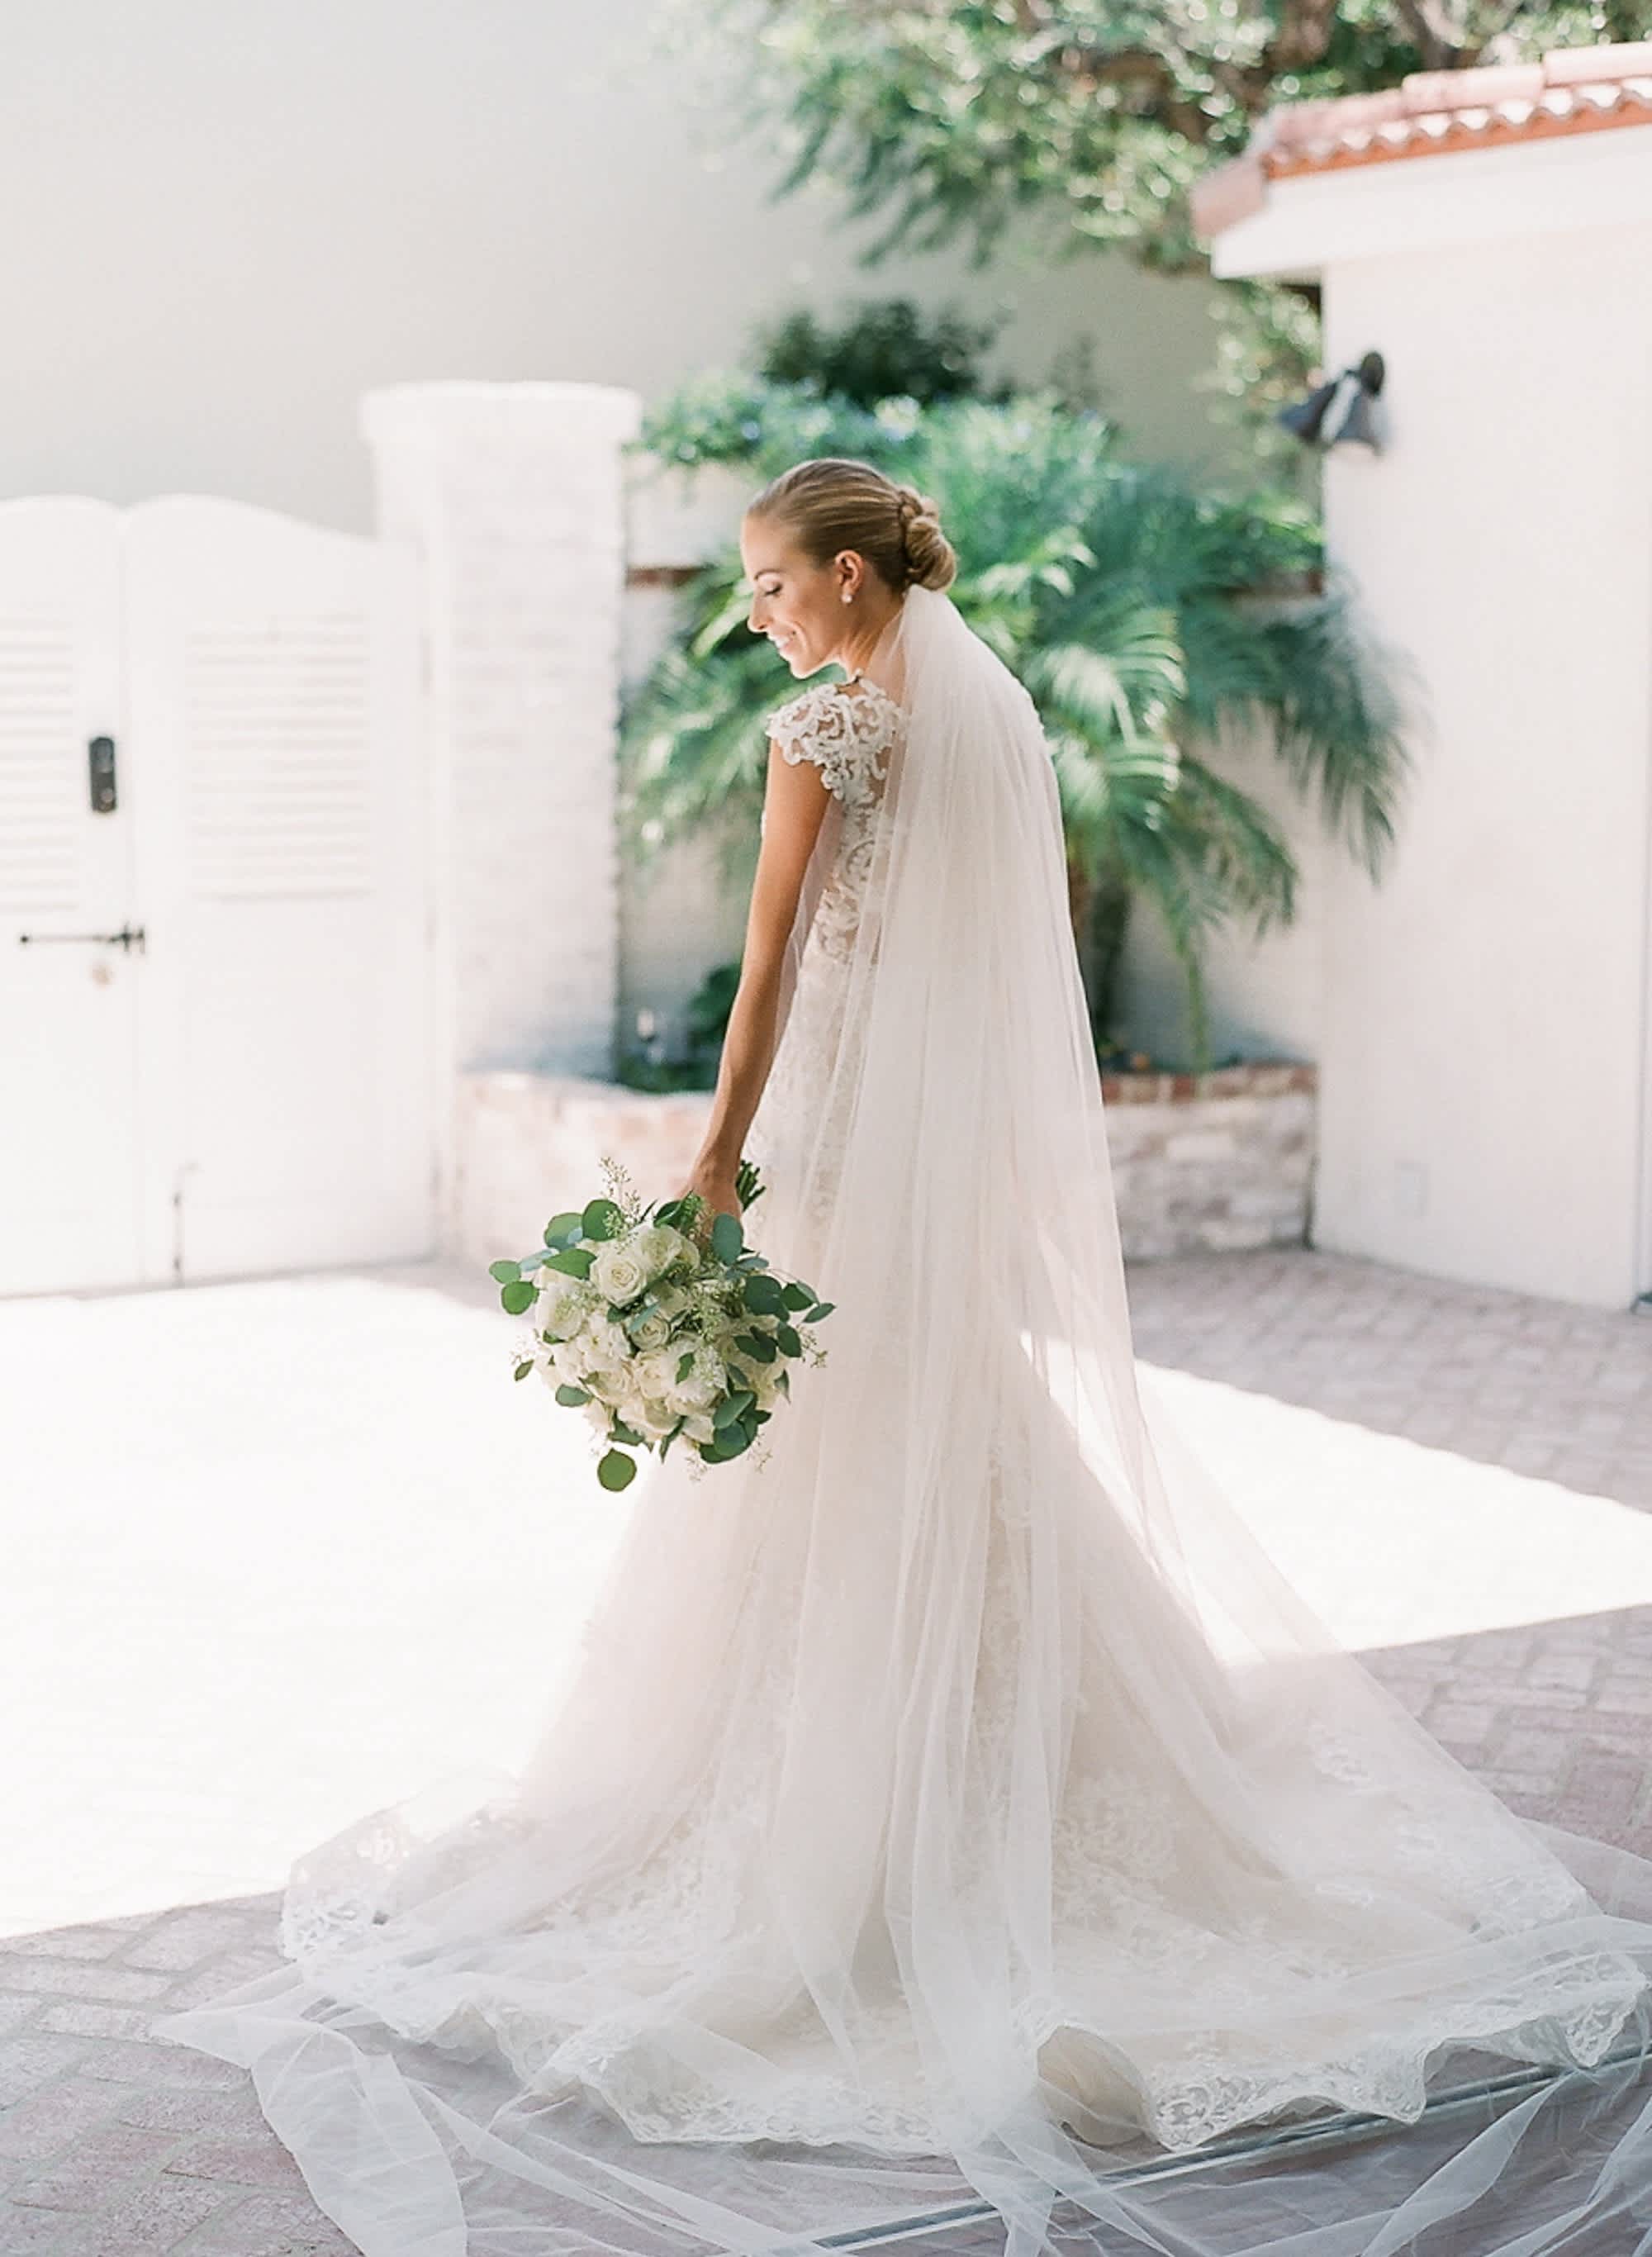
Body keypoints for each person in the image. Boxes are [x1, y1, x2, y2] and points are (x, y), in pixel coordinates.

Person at [154, 459, 1652, 2257]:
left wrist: (713, 1159)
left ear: (853, 578)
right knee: (943, 1440)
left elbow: (773, 961)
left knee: (834, 1458)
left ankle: (854, 1824)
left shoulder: (831, 734)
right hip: (930, 1176)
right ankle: (991, 1770)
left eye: (776, 585)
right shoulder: (993, 706)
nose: (761, 616)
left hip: (847, 1157)